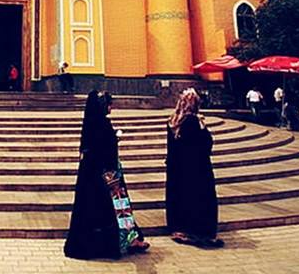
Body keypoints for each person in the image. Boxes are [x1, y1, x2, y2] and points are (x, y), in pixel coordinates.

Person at [64, 90, 149, 260]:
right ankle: (129, 240)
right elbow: (105, 151)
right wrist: (115, 139)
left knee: (96, 212)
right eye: (109, 104)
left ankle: (122, 240)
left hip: (92, 179)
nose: (111, 108)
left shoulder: (89, 125)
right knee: (119, 207)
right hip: (109, 177)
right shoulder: (103, 125)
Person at [166, 88, 223, 248]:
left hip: (177, 167)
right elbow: (205, 144)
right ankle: (198, 231)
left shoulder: (173, 120)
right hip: (197, 168)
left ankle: (179, 227)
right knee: (198, 199)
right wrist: (203, 125)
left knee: (181, 197)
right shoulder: (193, 122)